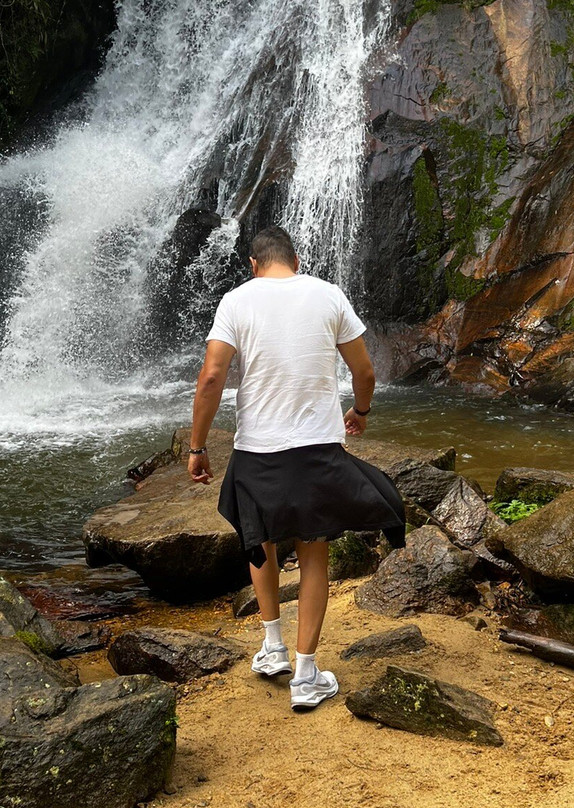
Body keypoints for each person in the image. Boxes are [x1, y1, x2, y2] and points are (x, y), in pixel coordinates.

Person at [187, 225, 405, 712]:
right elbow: (364, 372)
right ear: (298, 260)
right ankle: (306, 676)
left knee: (258, 537)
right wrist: (361, 412)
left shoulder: (236, 300)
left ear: (253, 264)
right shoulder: (328, 295)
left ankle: (272, 646)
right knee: (313, 552)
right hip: (316, 450)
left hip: (256, 449)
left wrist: (197, 445)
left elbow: (211, 379)